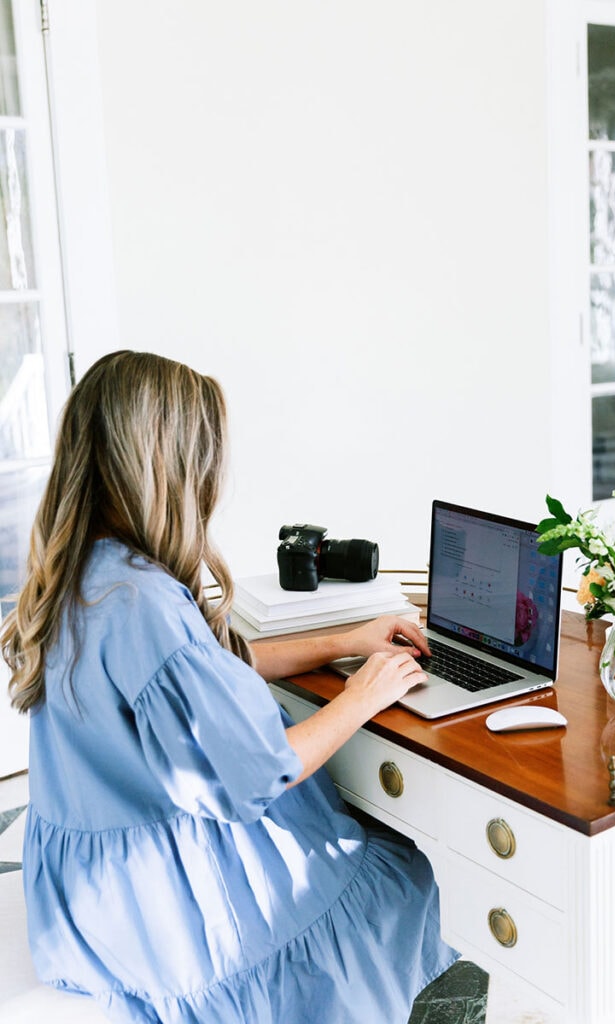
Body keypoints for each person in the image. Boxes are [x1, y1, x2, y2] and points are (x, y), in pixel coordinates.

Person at [1, 351, 458, 1024]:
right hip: (167, 916)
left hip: (91, 900)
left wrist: (344, 640)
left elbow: (209, 671)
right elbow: (255, 778)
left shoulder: (84, 577)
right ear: (168, 465)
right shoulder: (145, 603)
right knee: (398, 875)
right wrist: (364, 693)